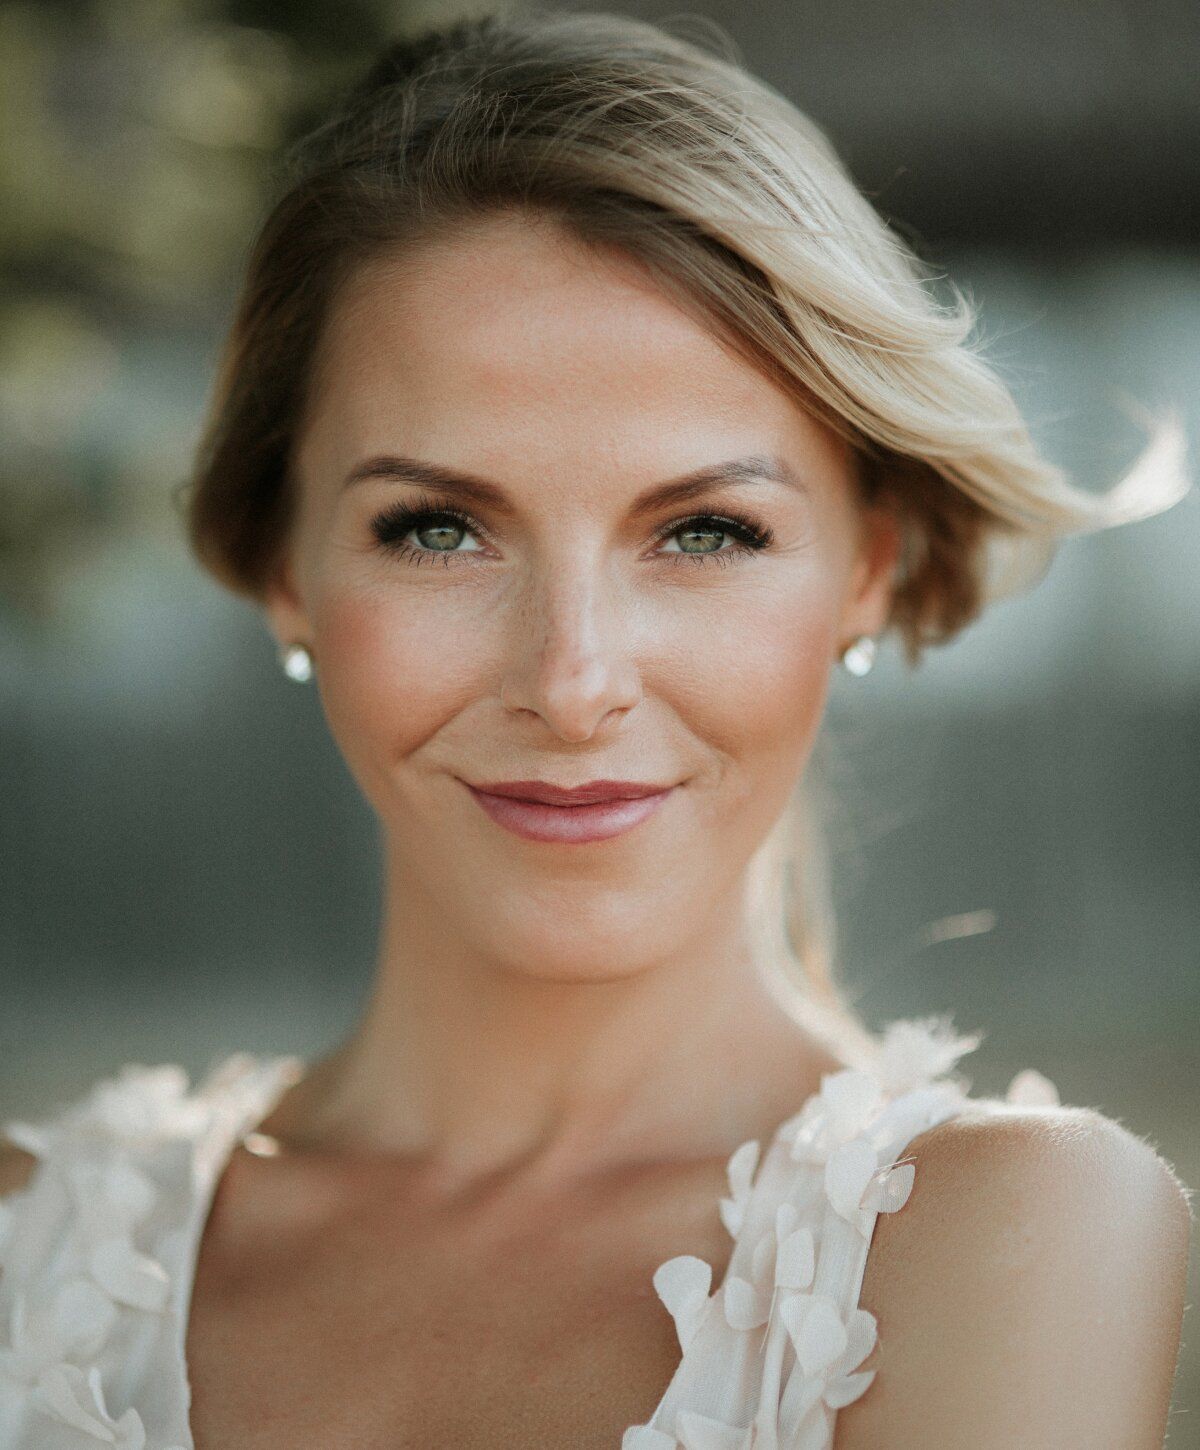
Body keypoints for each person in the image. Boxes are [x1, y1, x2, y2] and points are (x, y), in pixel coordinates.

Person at [0, 9, 1191, 1447]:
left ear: (867, 565)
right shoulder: (29, 1250)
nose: (572, 682)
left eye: (702, 530)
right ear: (280, 564)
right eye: (437, 528)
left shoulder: (1001, 1236)